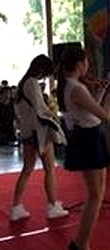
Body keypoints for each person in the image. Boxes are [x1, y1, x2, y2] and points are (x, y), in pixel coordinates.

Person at [58, 45, 110, 250]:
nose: (88, 65)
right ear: (79, 64)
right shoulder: (76, 88)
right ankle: (81, 245)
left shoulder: (73, 86)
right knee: (95, 197)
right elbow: (104, 115)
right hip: (89, 138)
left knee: (97, 195)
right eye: (86, 61)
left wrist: (101, 92)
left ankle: (81, 243)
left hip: (90, 135)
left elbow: (91, 111)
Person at [10, 55, 70, 222]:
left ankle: (16, 206)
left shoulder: (22, 85)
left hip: (28, 133)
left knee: (27, 169)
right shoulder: (32, 83)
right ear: (42, 70)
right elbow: (40, 109)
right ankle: (52, 206)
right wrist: (54, 116)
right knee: (50, 169)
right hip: (40, 133)